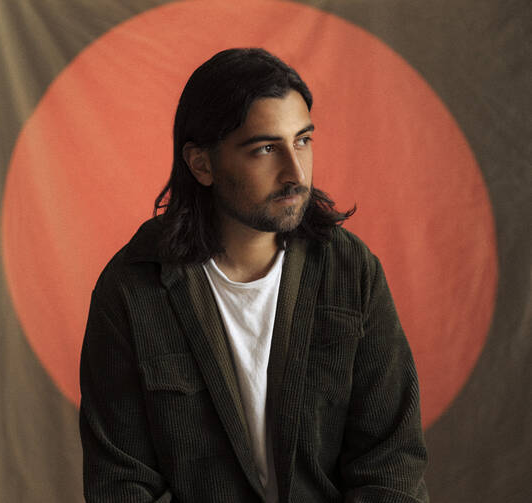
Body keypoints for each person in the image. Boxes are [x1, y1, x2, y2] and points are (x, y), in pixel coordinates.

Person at [79, 48, 429, 503]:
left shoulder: (350, 271)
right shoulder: (132, 290)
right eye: (265, 148)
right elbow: (120, 482)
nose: (295, 173)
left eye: (302, 140)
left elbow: (391, 464)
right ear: (202, 164)